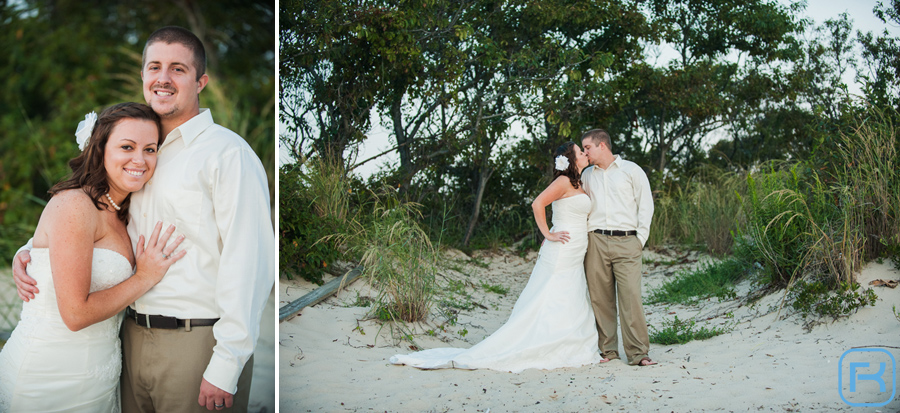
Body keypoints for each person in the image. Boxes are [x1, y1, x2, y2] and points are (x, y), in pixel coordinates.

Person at [12, 26, 275, 412]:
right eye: (154, 67)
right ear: (143, 77)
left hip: (196, 343)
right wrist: (33, 254)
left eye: (178, 69)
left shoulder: (228, 154)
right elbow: (96, 223)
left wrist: (226, 363)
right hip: (126, 341)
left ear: (201, 81)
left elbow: (250, 262)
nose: (163, 79)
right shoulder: (140, 150)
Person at [0, 102, 187, 412]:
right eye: (127, 146)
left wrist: (26, 251)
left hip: (100, 376)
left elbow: (51, 249)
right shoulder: (75, 204)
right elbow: (75, 314)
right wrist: (144, 277)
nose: (139, 160)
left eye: (150, 149)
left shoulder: (127, 213)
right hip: (46, 377)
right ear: (100, 150)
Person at [390, 142, 603, 372]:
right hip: (561, 250)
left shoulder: (579, 182)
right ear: (571, 159)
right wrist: (548, 234)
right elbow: (537, 203)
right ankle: (545, 343)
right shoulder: (563, 182)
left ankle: (571, 344)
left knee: (571, 294)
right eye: (580, 151)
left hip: (576, 251)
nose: (584, 153)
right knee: (552, 295)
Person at [580, 129, 657, 366]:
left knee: (631, 297)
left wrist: (639, 240)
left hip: (627, 242)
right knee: (600, 299)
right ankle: (608, 352)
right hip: (596, 241)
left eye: (587, 148)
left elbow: (646, 205)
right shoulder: (587, 175)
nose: (585, 153)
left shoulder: (631, 170)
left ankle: (638, 353)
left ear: (602, 145)